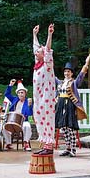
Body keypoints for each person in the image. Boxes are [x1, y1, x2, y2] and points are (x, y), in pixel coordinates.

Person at [54, 56, 89, 157]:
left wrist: (85, 65)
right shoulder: (60, 83)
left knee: (70, 128)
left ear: (71, 73)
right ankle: (68, 148)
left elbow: (81, 77)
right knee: (63, 128)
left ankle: (73, 149)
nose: (66, 73)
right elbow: (52, 77)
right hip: (60, 105)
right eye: (65, 71)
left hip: (70, 104)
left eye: (68, 71)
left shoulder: (73, 83)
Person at [31, 24, 56, 155]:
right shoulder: (37, 64)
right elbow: (36, 47)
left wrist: (49, 34)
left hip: (46, 98)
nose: (37, 52)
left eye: (39, 52)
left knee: (47, 119)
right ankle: (45, 143)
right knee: (39, 118)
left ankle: (49, 146)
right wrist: (34, 34)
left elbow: (47, 48)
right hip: (38, 99)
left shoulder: (47, 64)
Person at [2, 79, 33, 151]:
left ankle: (26, 143)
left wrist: (29, 106)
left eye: (22, 92)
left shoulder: (28, 101)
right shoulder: (14, 99)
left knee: (27, 126)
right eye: (19, 93)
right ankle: (8, 143)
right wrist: (10, 85)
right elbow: (7, 94)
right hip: (13, 120)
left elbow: (29, 113)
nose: (20, 94)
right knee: (4, 127)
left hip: (23, 121)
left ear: (25, 93)